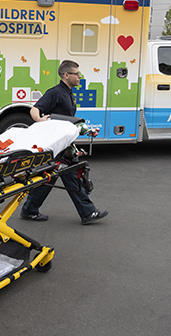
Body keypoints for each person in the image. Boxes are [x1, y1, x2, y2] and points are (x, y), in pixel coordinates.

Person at [20, 60, 108, 225]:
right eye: (77, 74)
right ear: (66, 75)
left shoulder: (68, 93)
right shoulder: (55, 93)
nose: (79, 76)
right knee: (61, 178)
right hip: (57, 147)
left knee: (54, 179)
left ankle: (29, 210)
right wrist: (39, 120)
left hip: (65, 145)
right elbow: (34, 109)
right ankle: (87, 213)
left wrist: (86, 130)